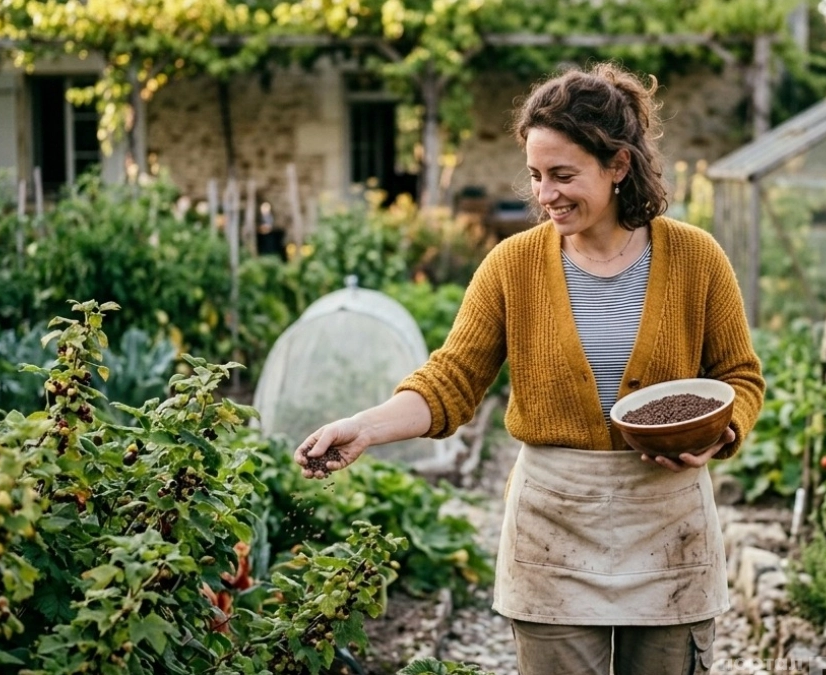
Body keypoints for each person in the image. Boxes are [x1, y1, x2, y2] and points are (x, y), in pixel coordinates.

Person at [295, 62, 765, 675]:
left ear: (618, 165)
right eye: (537, 176)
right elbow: (451, 380)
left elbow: (741, 378)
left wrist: (721, 433)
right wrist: (364, 427)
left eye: (564, 175)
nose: (545, 195)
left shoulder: (696, 258)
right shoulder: (512, 266)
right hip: (553, 527)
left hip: (667, 524)